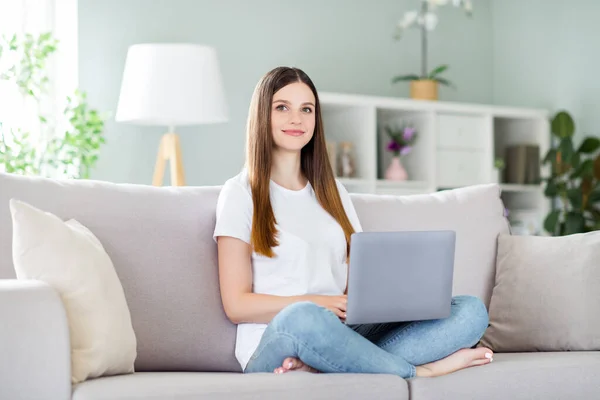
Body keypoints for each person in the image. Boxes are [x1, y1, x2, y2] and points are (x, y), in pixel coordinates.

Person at [213, 66, 494, 378]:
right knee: (305, 317)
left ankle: (331, 364)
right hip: (279, 336)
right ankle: (420, 373)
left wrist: (389, 300)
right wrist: (318, 302)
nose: (297, 119)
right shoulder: (240, 193)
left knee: (470, 310)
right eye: (282, 108)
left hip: (341, 328)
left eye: (307, 109)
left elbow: (355, 279)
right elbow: (236, 304)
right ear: (262, 116)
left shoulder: (333, 193)